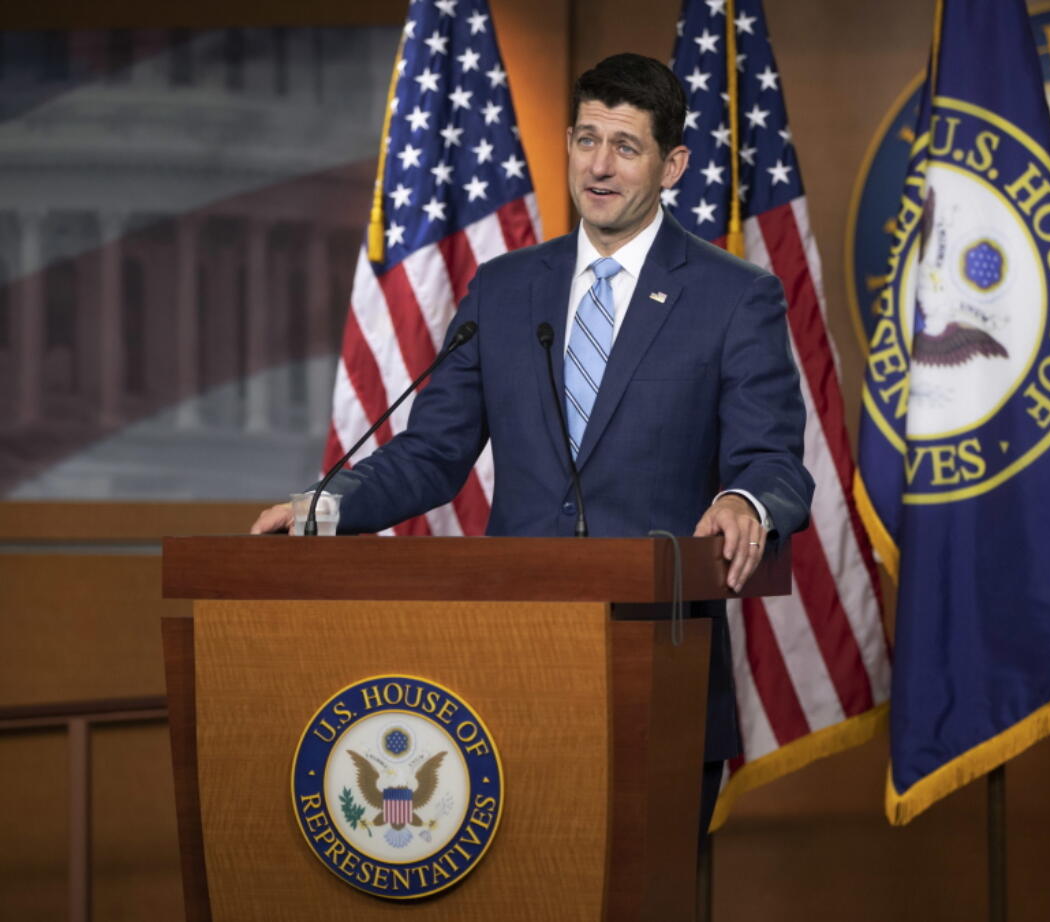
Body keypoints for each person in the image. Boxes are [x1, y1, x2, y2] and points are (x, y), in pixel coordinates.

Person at [251, 52, 813, 835]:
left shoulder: (733, 296)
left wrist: (742, 499)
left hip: (658, 667)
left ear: (673, 164)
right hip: (508, 664)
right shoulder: (506, 288)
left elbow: (773, 459)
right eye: (587, 140)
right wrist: (322, 507)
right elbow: (433, 452)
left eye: (626, 146)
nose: (600, 166)